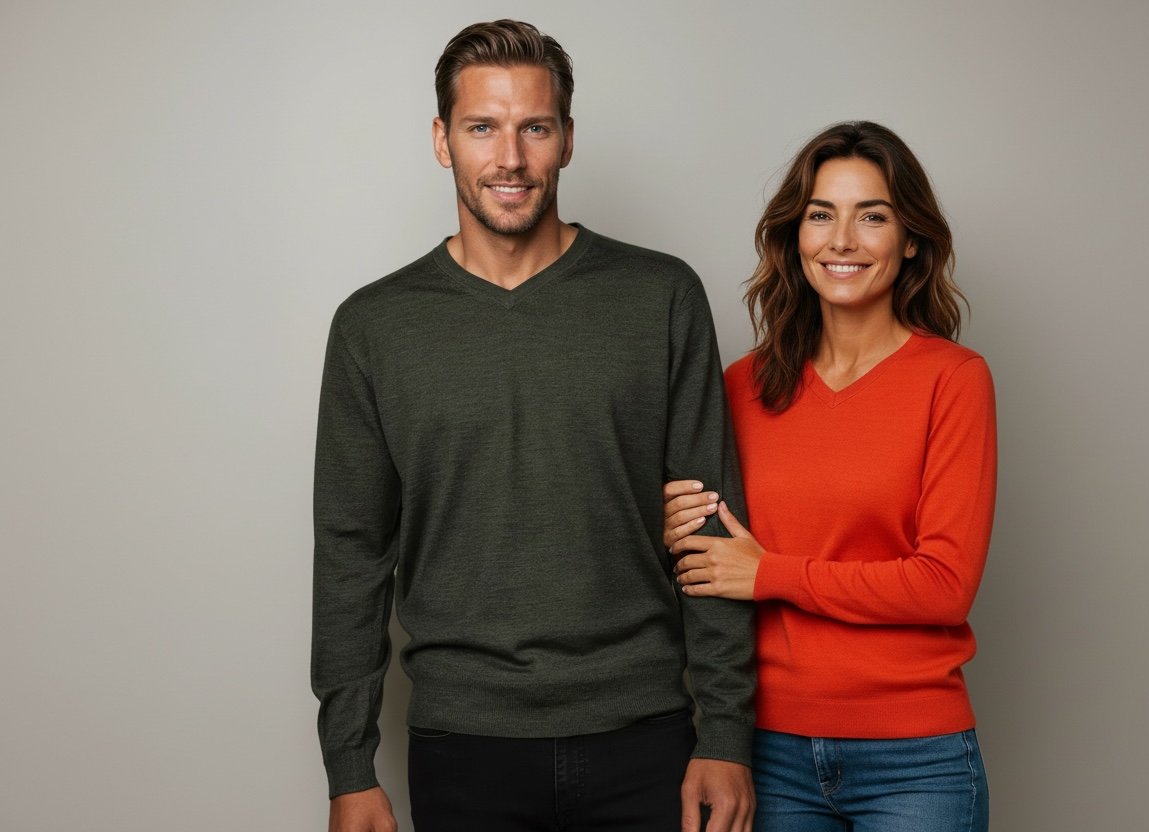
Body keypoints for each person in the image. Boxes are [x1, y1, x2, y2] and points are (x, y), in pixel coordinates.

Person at [311, 19, 755, 832]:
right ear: (442, 141)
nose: (510, 158)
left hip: (645, 734)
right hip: (461, 743)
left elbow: (711, 525)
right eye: (482, 127)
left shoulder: (660, 297)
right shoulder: (374, 327)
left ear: (568, 140)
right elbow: (351, 555)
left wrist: (725, 731)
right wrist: (348, 766)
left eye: (535, 128)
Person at [664, 121, 995, 831]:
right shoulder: (741, 387)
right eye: (821, 215)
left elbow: (944, 583)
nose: (842, 240)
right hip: (766, 753)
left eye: (871, 216)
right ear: (795, 235)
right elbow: (708, 570)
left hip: (916, 758)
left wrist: (770, 573)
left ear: (911, 239)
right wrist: (674, 534)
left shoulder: (953, 381)